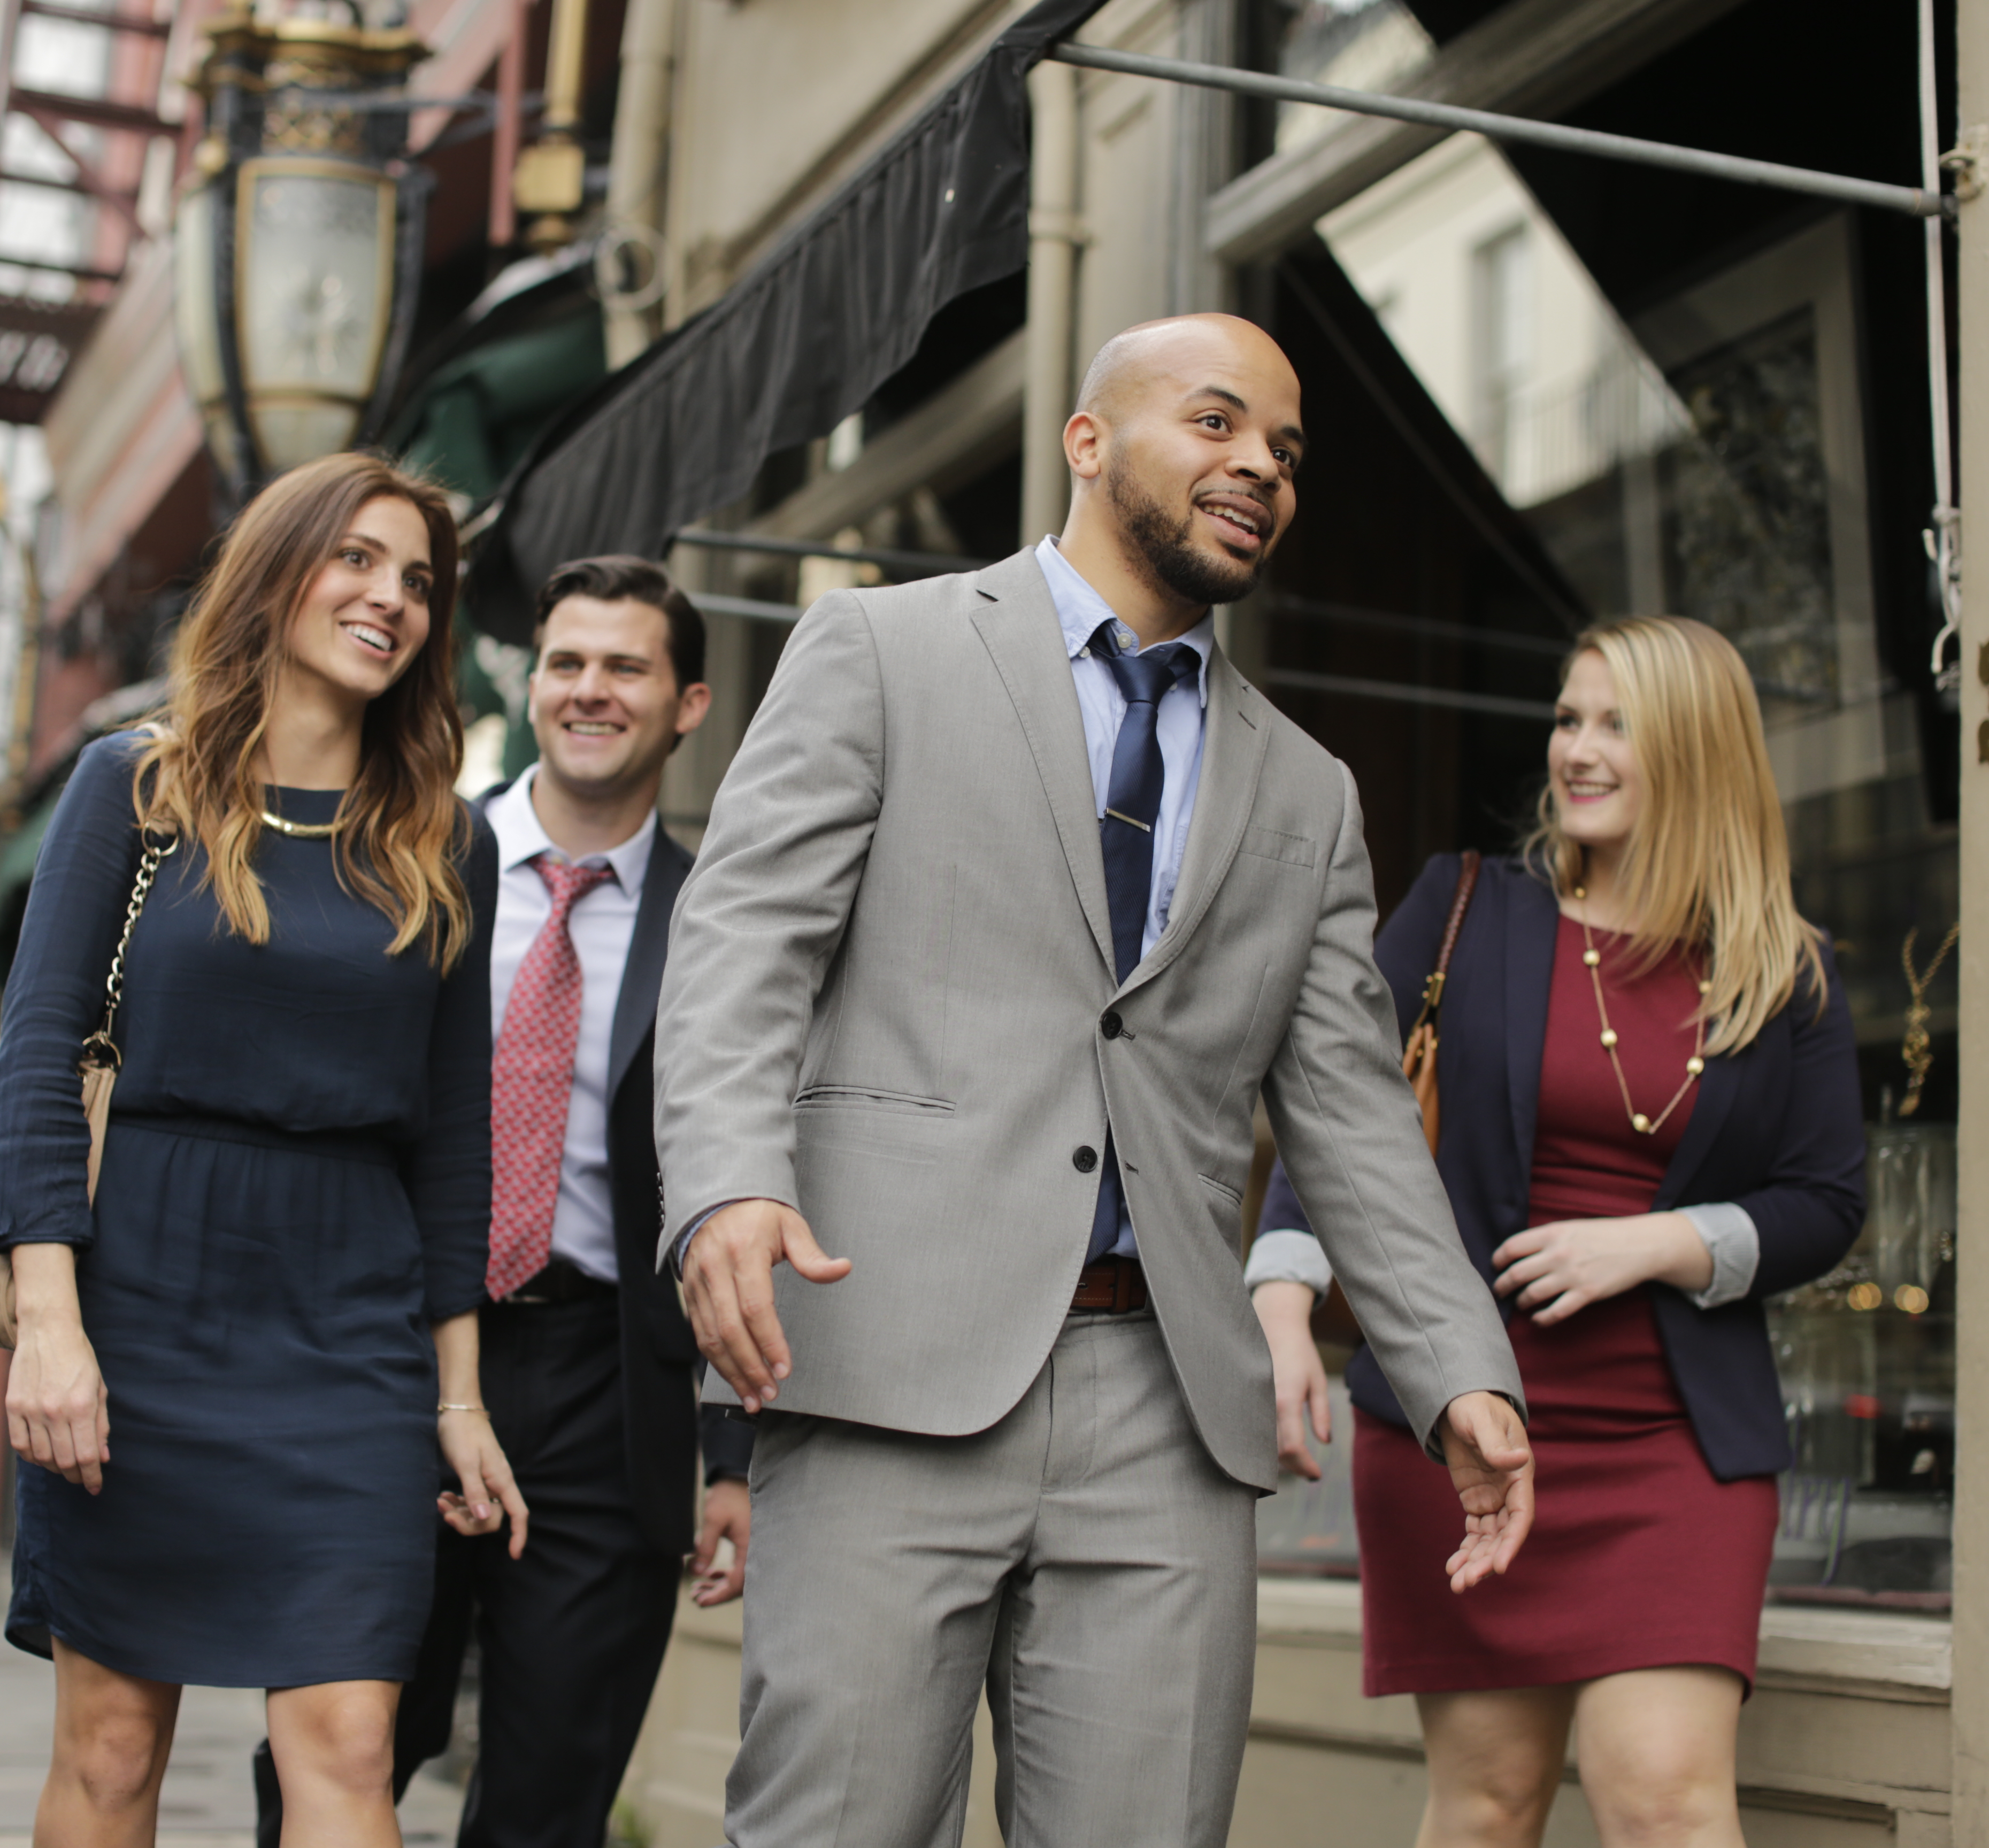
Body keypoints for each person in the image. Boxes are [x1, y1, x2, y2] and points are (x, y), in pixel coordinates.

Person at [656, 314, 1533, 1848]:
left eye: (1284, 449)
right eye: (1215, 423)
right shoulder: (883, 650)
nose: (1258, 464)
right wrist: (731, 1179)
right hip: (888, 1366)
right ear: (1087, 441)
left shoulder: (1308, 792)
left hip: (1172, 1413)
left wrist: (1461, 1364)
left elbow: (1349, 1113)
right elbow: (741, 948)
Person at [0, 450, 521, 1848]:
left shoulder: (445, 841)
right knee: (109, 1749)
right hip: (139, 1298)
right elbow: (40, 1056)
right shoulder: (134, 788)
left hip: (350, 1324)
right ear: (278, 571)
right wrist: (50, 1323)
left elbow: (458, 1141)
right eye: (355, 561)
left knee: (349, 1737)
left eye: (416, 582)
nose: (389, 599)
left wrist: (457, 1401)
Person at [1247, 615, 1866, 1848]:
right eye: (1567, 718)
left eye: (1614, 725)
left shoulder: (1782, 971)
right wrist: (1279, 1299)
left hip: (1674, 1444)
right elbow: (1338, 1109)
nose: (1576, 750)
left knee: (1666, 1798)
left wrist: (1653, 1241)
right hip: (1465, 1426)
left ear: (1692, 750)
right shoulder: (1465, 909)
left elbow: (1827, 1201)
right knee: (1486, 1803)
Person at [249, 555, 750, 1848]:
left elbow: (749, 1169)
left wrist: (736, 1453)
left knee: (547, 1798)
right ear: (531, 684)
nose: (590, 691)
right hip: (392, 1355)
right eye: (566, 662)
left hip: (607, 1389)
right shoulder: (399, 855)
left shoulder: (727, 921)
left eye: (625, 667)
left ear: (687, 702)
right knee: (334, 1751)